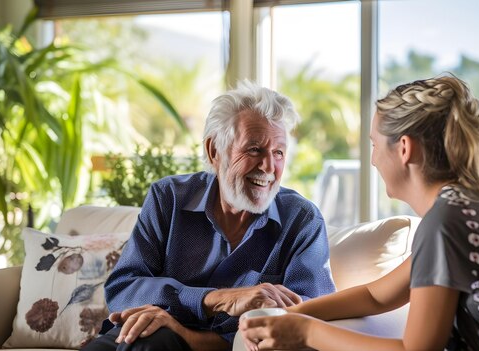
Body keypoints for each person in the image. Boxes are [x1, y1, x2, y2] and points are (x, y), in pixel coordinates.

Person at [239, 75, 479, 350]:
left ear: (404, 148)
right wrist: (294, 313)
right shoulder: (469, 208)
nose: (371, 159)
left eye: (373, 144)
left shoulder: (449, 220)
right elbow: (377, 295)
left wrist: (306, 333)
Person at [82, 81, 336, 351]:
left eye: (278, 153)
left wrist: (182, 332)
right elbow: (123, 289)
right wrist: (216, 299)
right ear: (214, 151)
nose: (268, 167)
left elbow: (307, 320)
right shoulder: (168, 198)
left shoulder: (301, 221)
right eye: (254, 149)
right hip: (136, 338)